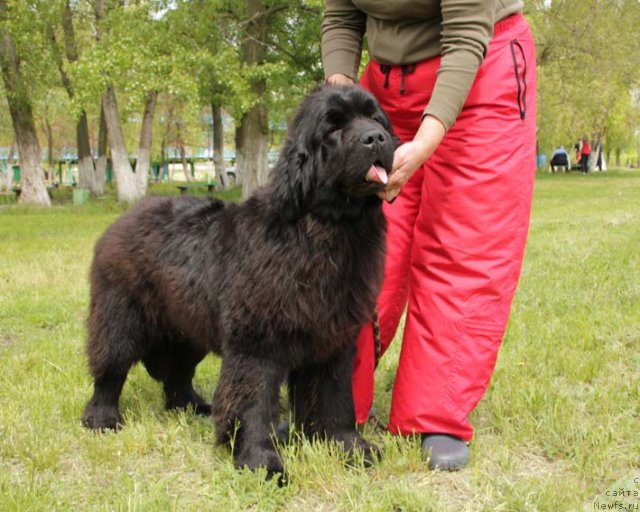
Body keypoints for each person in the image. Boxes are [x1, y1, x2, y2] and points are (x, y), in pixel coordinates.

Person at [322, 1, 537, 470]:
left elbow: (465, 36)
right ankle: (331, 404)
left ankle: (433, 412)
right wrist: (338, 104)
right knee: (361, 246)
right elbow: (341, 13)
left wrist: (425, 142)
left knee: (463, 246)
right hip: (385, 85)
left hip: (480, 71)